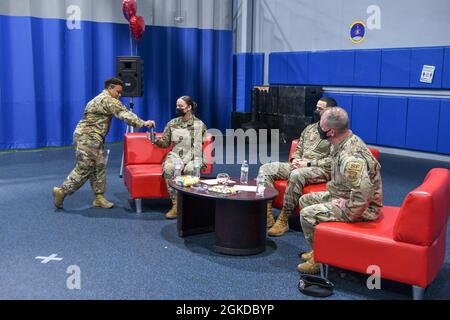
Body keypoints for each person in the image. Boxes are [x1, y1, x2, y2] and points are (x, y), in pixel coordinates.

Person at [297, 107, 383, 274]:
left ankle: (320, 259)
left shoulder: (350, 157)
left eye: (321, 127)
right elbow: (331, 163)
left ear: (331, 132)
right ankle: (319, 249)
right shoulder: (341, 140)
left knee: (307, 214)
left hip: (364, 208)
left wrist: (349, 211)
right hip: (342, 193)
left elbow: (364, 191)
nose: (317, 129)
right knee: (305, 200)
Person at [52, 77, 155, 209]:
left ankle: (99, 197)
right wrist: (143, 123)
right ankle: (62, 191)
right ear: (110, 88)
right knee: (85, 167)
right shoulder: (108, 100)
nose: (119, 95)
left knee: (98, 166)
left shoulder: (99, 98)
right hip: (88, 138)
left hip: (92, 137)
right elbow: (124, 114)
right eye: (118, 91)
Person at [259, 97, 337, 237]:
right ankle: (267, 212)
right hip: (300, 164)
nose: (316, 111)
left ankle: (284, 218)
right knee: (267, 168)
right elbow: (299, 147)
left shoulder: (335, 133)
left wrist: (307, 163)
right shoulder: (310, 128)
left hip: (321, 169)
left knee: (296, 175)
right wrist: (295, 159)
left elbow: (333, 161)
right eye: (316, 107)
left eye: (320, 109)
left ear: (330, 111)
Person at [154, 96, 207, 219]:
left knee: (190, 169)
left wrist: (186, 161)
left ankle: (191, 205)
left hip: (194, 155)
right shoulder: (172, 123)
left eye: (181, 106)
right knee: (168, 168)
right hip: (175, 155)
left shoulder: (198, 124)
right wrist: (155, 141)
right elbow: (165, 143)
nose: (177, 108)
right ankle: (176, 205)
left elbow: (197, 147)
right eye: (177, 105)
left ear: (189, 108)